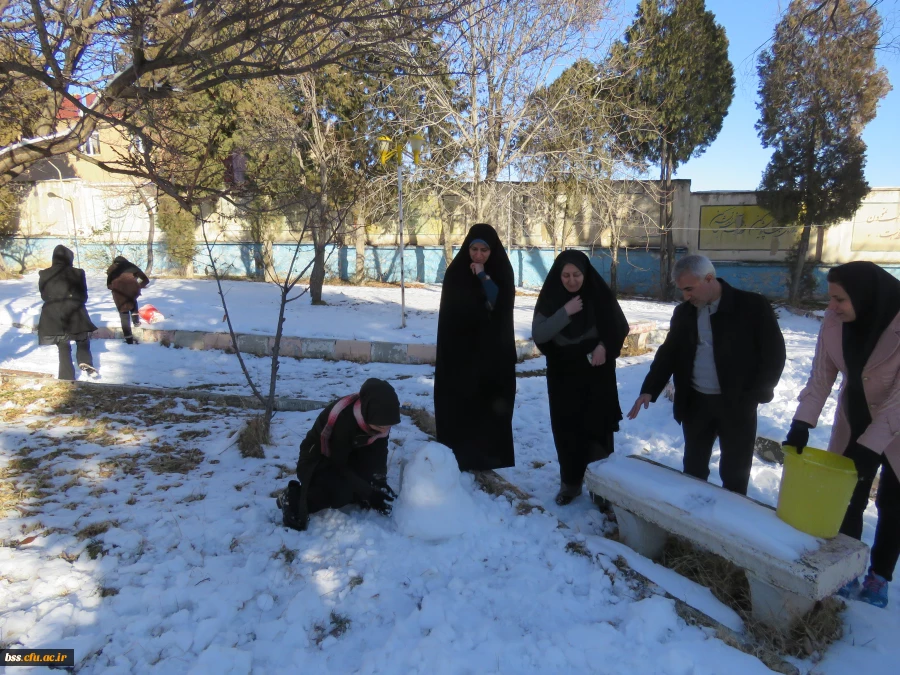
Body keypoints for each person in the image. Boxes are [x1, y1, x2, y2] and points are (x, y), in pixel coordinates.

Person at [784, 262, 900, 608]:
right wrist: (802, 421)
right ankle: (845, 569)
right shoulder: (834, 323)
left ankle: (879, 576)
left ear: (864, 297)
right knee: (848, 497)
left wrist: (872, 446)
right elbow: (821, 375)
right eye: (830, 298)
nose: (831, 307)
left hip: (898, 425)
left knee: (892, 505)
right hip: (854, 418)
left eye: (839, 299)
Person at [627, 255, 786, 495]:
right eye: (682, 290)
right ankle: (691, 521)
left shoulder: (752, 306)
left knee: (735, 473)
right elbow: (669, 353)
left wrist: (757, 394)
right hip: (696, 403)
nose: (686, 296)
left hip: (736, 404)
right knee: (693, 468)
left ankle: (730, 523)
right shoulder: (684, 313)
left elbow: (774, 353)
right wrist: (650, 388)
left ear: (709, 278)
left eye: (689, 289)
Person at [532, 250, 630, 505]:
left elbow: (618, 327)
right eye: (566, 275)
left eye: (577, 275)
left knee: (598, 430)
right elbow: (540, 334)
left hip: (596, 375)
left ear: (585, 274)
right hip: (563, 375)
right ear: (558, 275)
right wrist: (565, 311)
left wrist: (604, 347)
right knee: (567, 431)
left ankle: (602, 491)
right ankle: (571, 485)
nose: (572, 280)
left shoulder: (598, 295)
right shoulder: (551, 298)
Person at [434, 223, 517, 471]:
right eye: (474, 249)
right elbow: (451, 315)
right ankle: (458, 456)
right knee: (459, 404)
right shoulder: (456, 272)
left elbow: (499, 304)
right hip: (460, 354)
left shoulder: (502, 271)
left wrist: (482, 275)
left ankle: (486, 458)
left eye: (483, 250)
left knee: (488, 407)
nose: (478, 255)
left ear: (492, 251)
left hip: (491, 353)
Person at [277, 378, 401, 532]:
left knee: (363, 487)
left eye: (389, 426)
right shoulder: (343, 419)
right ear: (366, 413)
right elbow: (337, 466)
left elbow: (379, 450)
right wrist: (368, 493)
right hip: (318, 459)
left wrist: (379, 481)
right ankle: (293, 497)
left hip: (350, 455)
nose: (385, 431)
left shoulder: (378, 418)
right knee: (340, 492)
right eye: (380, 427)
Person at [37, 245, 98, 380]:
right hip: (75, 310)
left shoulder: (44, 273)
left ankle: (66, 377)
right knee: (81, 337)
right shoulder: (78, 273)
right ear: (69, 258)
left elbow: (44, 295)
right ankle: (85, 360)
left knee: (63, 345)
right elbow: (83, 295)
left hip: (53, 313)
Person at [106, 255, 150, 344]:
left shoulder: (112, 268)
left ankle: (128, 339)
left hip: (118, 294)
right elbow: (146, 280)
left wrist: (115, 287)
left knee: (124, 314)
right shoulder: (131, 266)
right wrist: (138, 286)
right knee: (133, 302)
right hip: (132, 291)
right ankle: (136, 322)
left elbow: (109, 285)